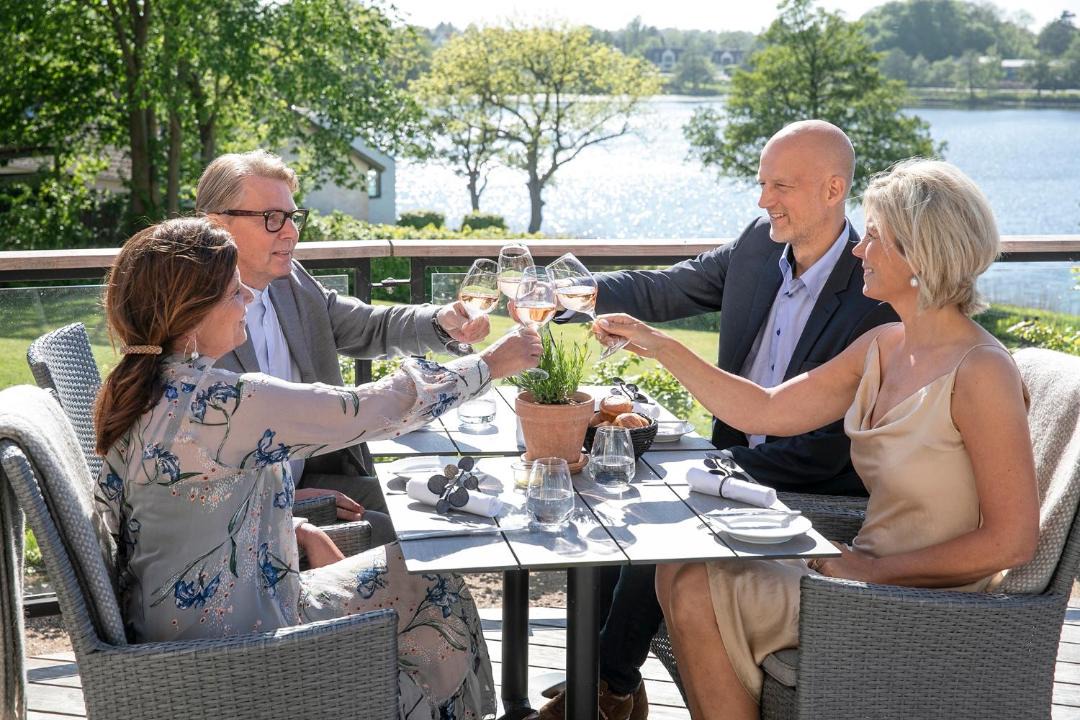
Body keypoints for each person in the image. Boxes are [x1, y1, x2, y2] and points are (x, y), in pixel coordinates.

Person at [594, 158, 1040, 719]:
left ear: (919, 254)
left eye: (873, 238)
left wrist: (871, 571)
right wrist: (660, 345)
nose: (858, 252)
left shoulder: (982, 371)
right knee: (679, 564)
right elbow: (767, 408)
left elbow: (1011, 543)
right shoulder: (884, 343)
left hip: (924, 601)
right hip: (856, 569)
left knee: (692, 586)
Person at [92, 216, 542, 720]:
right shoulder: (221, 403)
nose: (247, 297)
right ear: (189, 312)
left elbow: (177, 505)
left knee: (424, 576)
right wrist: (490, 365)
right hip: (237, 653)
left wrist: (292, 520)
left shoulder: (139, 387)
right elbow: (367, 408)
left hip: (185, 627)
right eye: (232, 291)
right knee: (437, 588)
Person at [541, 120, 896, 720]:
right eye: (762, 184)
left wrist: (709, 469)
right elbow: (663, 290)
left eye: (780, 185)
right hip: (734, 453)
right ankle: (606, 680)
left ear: (833, 190)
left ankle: (606, 688)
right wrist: (568, 295)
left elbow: (826, 450)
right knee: (612, 488)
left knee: (660, 507)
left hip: (809, 478)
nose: (763, 200)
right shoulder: (759, 244)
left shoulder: (874, 295)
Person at [195, 149, 486, 542]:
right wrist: (286, 499)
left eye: (293, 217)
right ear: (217, 225)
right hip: (242, 514)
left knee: (445, 511)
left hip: (308, 475)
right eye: (272, 218)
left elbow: (366, 326)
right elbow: (192, 471)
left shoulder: (288, 281)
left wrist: (440, 322)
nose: (291, 232)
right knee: (403, 539)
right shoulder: (192, 320)